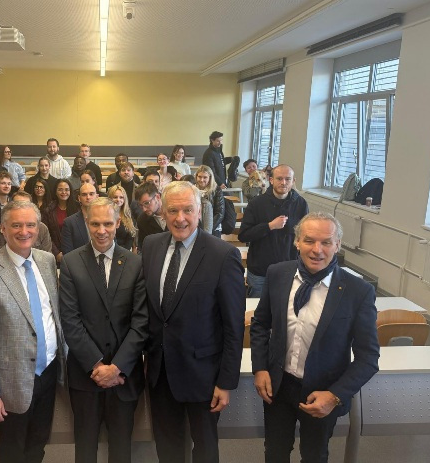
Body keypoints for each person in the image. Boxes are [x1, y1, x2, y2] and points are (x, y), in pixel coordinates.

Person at [250, 212, 379, 463]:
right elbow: (260, 324)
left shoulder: (358, 291)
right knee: (274, 452)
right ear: (297, 242)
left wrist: (335, 395)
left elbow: (368, 358)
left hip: (323, 391)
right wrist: (260, 368)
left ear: (337, 245)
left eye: (326, 242)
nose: (317, 250)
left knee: (315, 455)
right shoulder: (277, 274)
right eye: (309, 240)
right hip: (279, 385)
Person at [141, 182, 245, 463]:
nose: (180, 218)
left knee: (205, 449)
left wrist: (226, 382)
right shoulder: (151, 246)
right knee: (167, 448)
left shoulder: (223, 255)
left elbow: (233, 327)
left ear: (200, 211)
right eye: (173, 210)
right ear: (163, 212)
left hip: (204, 376)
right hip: (160, 373)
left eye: (188, 210)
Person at [0, 200, 66, 463]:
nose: (24, 231)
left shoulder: (46, 261)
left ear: (38, 228)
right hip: (11, 382)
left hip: (48, 374)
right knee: (13, 450)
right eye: (16, 225)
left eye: (30, 225)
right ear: (2, 228)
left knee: (38, 444)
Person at [59, 198, 148, 463]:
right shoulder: (71, 262)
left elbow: (140, 322)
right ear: (87, 223)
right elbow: (70, 320)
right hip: (85, 377)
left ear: (118, 223)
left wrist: (117, 368)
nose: (101, 231)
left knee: (121, 452)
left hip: (124, 377)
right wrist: (97, 366)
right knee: (85, 452)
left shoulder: (134, 263)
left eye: (108, 223)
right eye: (95, 224)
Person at [238, 164, 309, 297]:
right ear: (271, 180)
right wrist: (269, 226)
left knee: (285, 308)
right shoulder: (256, 203)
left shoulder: (301, 204)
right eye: (279, 179)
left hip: (289, 270)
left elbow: (305, 236)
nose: (283, 183)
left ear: (293, 181)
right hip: (260, 271)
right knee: (256, 307)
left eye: (288, 179)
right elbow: (243, 235)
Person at [42, 179, 79, 263]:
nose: (64, 192)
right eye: (60, 189)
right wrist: (56, 253)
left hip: (76, 251)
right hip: (57, 253)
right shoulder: (48, 210)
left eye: (66, 189)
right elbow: (46, 234)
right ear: (55, 191)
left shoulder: (77, 208)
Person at [61, 182, 98, 255]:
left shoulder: (106, 219)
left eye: (91, 194)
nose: (88, 197)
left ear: (97, 197)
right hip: (79, 261)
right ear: (79, 198)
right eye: (84, 194)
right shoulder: (69, 223)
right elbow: (68, 254)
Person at [194, 165, 225, 238]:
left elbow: (219, 213)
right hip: (195, 228)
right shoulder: (192, 189)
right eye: (199, 177)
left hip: (213, 228)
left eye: (205, 177)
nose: (202, 180)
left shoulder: (216, 190)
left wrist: (208, 228)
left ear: (210, 178)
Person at [135, 181, 166, 250]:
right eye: (140, 205)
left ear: (157, 197)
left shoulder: (174, 212)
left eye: (147, 203)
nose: (144, 209)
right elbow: (143, 248)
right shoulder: (142, 220)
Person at [107, 184, 137, 251]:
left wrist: (123, 252)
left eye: (121, 197)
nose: (118, 200)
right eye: (115, 197)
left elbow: (130, 238)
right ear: (110, 198)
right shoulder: (105, 215)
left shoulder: (128, 216)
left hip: (124, 251)